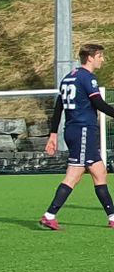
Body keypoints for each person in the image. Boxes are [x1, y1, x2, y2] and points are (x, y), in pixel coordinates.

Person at [38, 44, 114, 230]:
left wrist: (53, 134)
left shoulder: (68, 78)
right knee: (74, 175)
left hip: (75, 130)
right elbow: (99, 103)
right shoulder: (87, 78)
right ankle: (50, 214)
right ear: (90, 57)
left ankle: (112, 217)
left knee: (99, 172)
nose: (102, 59)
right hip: (82, 131)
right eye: (100, 56)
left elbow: (58, 108)